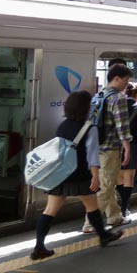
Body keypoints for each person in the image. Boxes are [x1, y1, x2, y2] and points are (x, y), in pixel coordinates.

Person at [30, 91, 123, 259]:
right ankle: (103, 236)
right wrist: (95, 175)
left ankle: (38, 247)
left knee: (49, 210)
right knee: (92, 207)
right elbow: (92, 155)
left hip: (61, 175)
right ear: (86, 108)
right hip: (80, 175)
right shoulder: (90, 128)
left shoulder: (62, 125)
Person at [84, 63, 133, 232]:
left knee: (108, 182)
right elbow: (122, 126)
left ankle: (114, 216)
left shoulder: (98, 95)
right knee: (105, 186)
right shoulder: (118, 98)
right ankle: (90, 223)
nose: (127, 84)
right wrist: (127, 147)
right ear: (116, 78)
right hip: (110, 149)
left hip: (96, 147)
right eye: (125, 80)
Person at [116, 81, 137, 218]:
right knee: (128, 177)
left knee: (119, 177)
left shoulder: (117, 105)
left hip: (116, 145)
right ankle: (125, 208)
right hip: (133, 145)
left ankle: (120, 207)